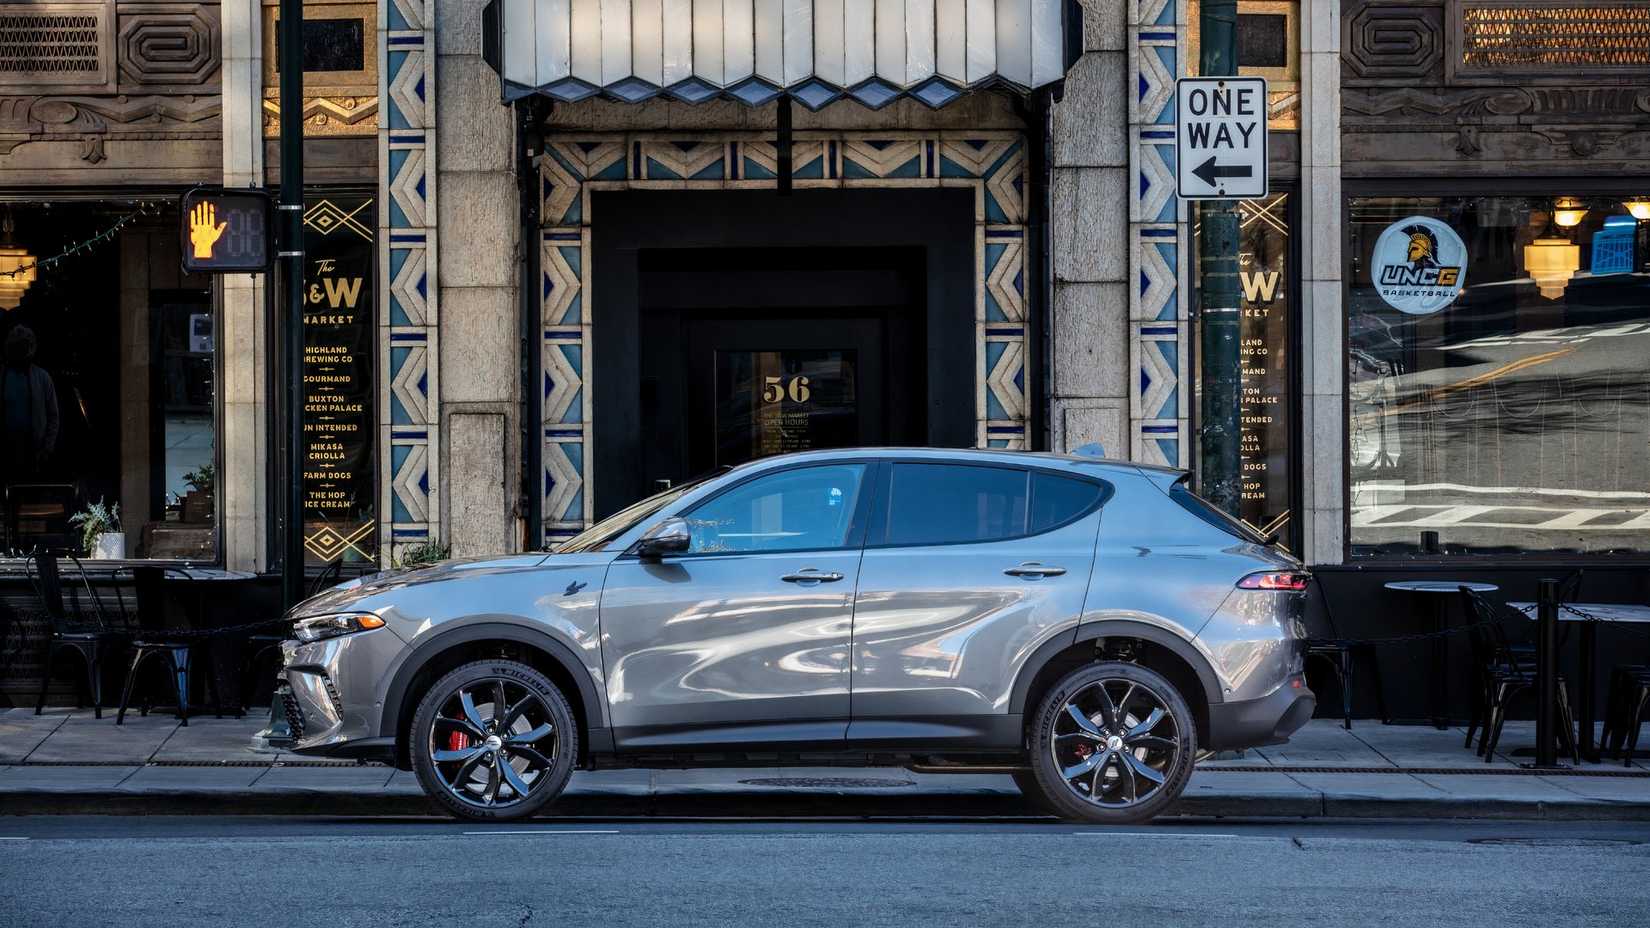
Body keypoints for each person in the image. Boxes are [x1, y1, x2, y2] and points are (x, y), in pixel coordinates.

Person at [2, 324, 60, 482]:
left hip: (36, 457)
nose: (21, 351)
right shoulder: (3, 376)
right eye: (17, 346)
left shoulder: (42, 377)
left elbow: (53, 417)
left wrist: (47, 449)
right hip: (8, 456)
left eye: (23, 346)